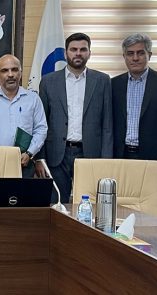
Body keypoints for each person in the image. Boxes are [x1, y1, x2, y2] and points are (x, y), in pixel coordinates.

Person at [37, 33, 113, 203]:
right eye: (73, 49)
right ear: (65, 53)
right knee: (56, 205)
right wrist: (40, 158)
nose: (78, 53)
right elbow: (42, 123)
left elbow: (107, 124)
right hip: (57, 154)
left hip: (90, 154)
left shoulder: (102, 80)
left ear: (89, 53)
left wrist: (106, 160)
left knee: (88, 205)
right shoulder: (48, 81)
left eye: (83, 49)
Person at [112, 33, 157, 178]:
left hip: (153, 156)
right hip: (119, 155)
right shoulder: (113, 84)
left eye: (140, 53)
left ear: (149, 55)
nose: (135, 58)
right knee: (121, 193)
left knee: (151, 193)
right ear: (124, 57)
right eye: (130, 53)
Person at [0, 54, 47, 178]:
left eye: (14, 70)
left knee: (25, 192)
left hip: (25, 163)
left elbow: (41, 129)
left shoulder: (33, 99)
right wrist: (3, 155)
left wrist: (29, 153)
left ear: (20, 73)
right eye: (5, 70)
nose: (10, 74)